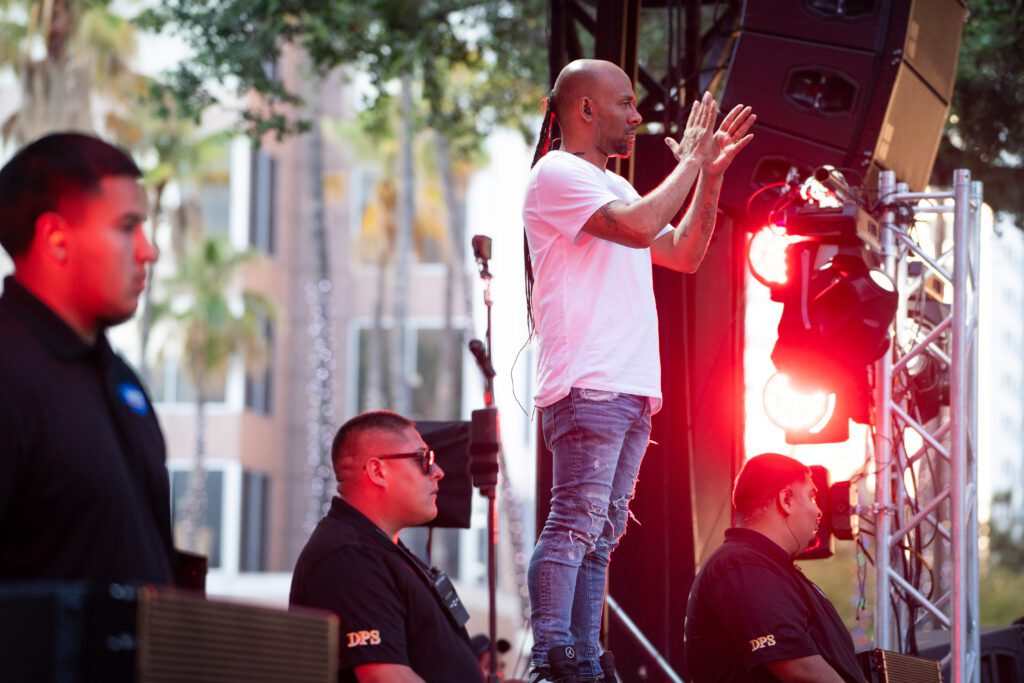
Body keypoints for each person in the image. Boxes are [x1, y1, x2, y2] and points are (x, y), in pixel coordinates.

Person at [522, 58, 755, 682]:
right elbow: (641, 227)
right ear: (585, 110)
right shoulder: (557, 173)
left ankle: (587, 660)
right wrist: (689, 164)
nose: (637, 115)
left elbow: (681, 253)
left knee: (601, 538)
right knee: (573, 524)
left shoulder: (618, 187)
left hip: (627, 387)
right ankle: (554, 655)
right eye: (624, 104)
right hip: (588, 381)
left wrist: (707, 178)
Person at [0, 132, 174, 586]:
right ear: (55, 237)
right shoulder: (10, 373)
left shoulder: (121, 379)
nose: (148, 250)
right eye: (126, 227)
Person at [289, 410, 481, 683]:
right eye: (424, 459)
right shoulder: (349, 558)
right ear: (378, 471)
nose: (438, 472)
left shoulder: (380, 549)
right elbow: (385, 677)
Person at [683, 453, 867, 682]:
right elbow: (800, 669)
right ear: (786, 499)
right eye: (811, 497)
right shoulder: (741, 563)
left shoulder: (765, 567)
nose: (819, 511)